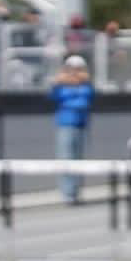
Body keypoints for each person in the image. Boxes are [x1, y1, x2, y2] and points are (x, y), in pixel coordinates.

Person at [50, 55, 95, 204]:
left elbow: (85, 100)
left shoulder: (86, 85)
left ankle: (76, 192)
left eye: (78, 69)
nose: (75, 72)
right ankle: (67, 193)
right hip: (65, 125)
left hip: (80, 125)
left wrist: (71, 93)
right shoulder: (60, 85)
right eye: (72, 69)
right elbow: (57, 97)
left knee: (77, 160)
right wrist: (68, 88)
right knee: (66, 158)